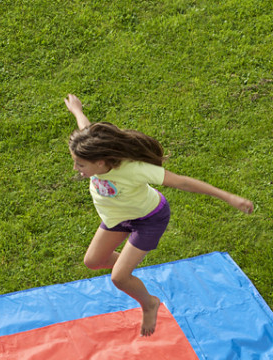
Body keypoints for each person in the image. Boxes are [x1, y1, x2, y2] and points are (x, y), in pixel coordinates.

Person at [64, 94, 254, 336]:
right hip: (119, 218)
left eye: (80, 164)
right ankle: (128, 263)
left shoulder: (134, 170)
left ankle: (149, 303)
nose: (76, 169)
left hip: (148, 219)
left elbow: (183, 182)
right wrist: (77, 110)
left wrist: (229, 197)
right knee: (92, 262)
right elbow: (86, 130)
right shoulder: (94, 150)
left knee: (119, 278)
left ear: (101, 163)